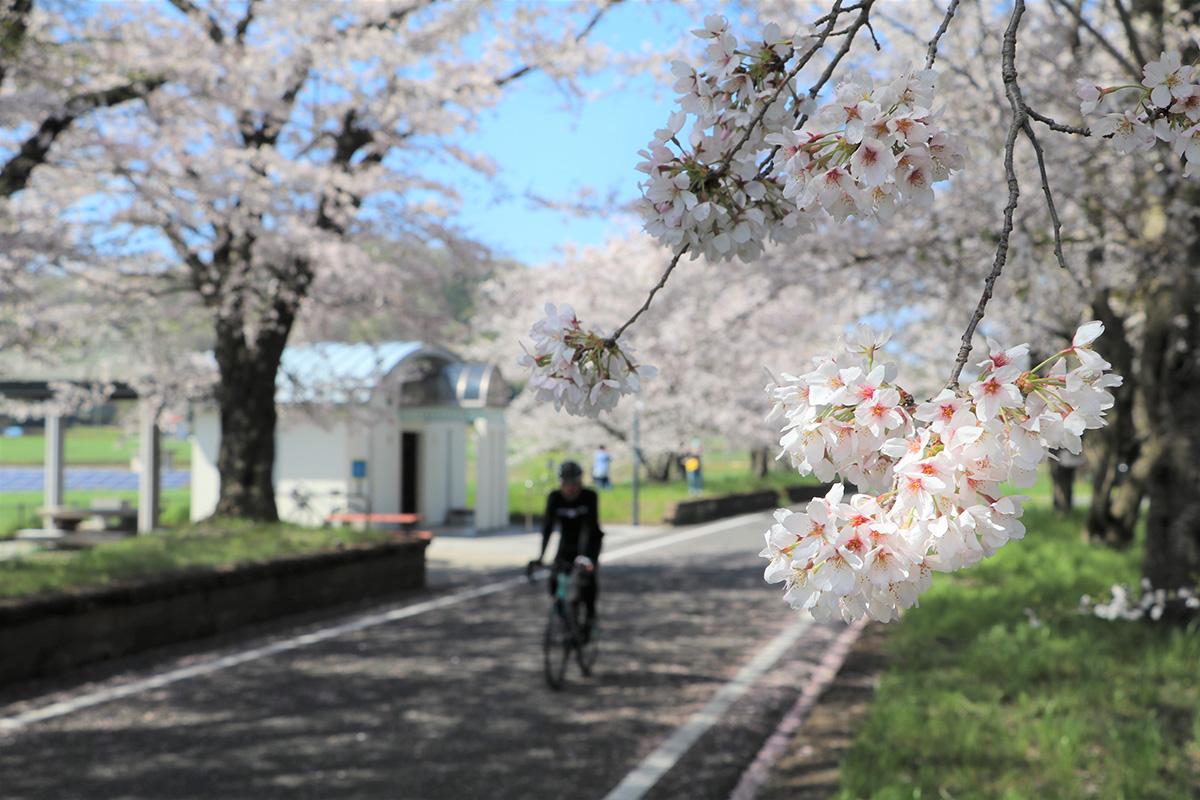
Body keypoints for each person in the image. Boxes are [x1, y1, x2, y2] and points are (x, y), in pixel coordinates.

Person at [531, 460, 603, 636]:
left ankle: (590, 616)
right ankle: (566, 622)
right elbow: (547, 528)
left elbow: (589, 527)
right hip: (567, 543)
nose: (569, 488)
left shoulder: (589, 497)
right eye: (565, 483)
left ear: (580, 482)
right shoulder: (554, 497)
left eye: (574, 483)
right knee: (554, 579)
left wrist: (585, 558)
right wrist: (541, 556)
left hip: (590, 542)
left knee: (587, 578)